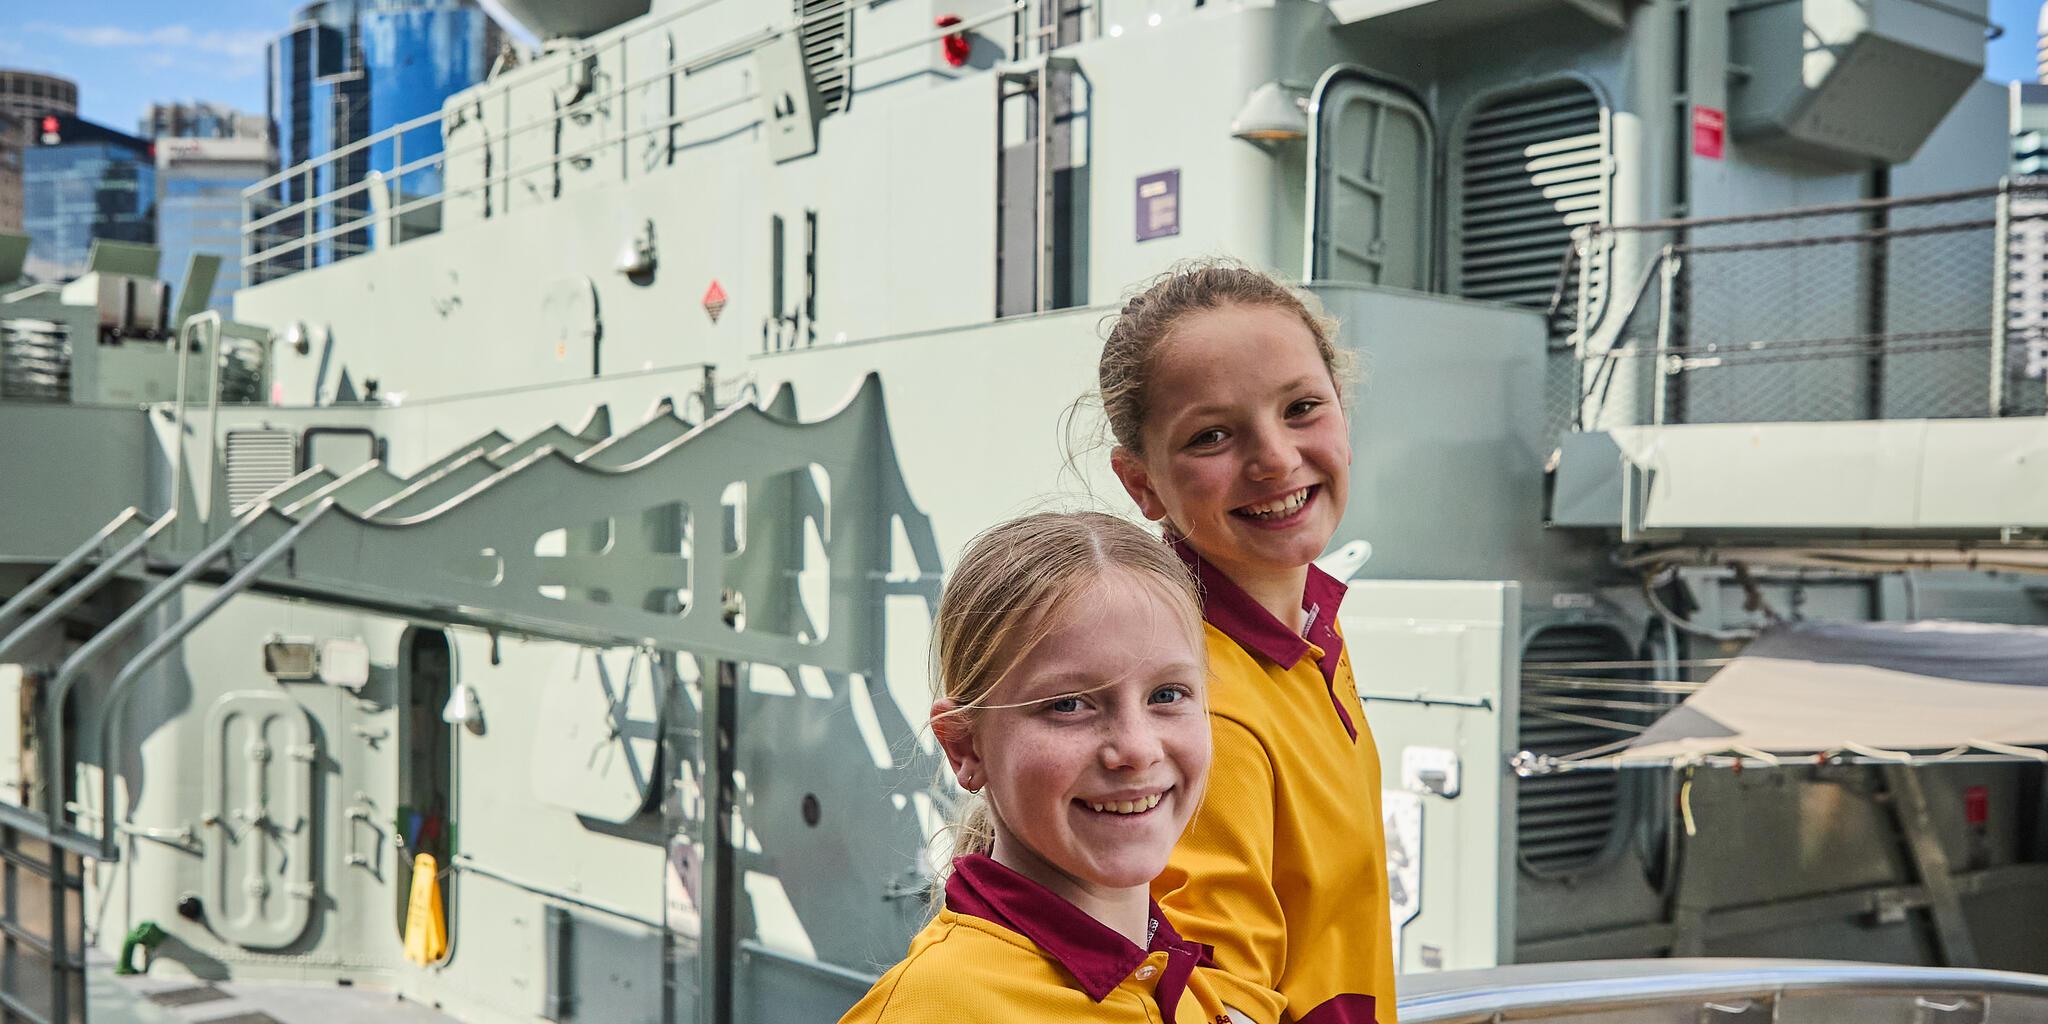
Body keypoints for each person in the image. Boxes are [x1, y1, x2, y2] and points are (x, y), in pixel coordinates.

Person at [1101, 261, 1396, 1024]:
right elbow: (1219, 996)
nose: (1274, 458)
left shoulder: (1306, 638)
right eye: (1213, 435)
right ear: (1142, 485)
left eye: (1301, 408)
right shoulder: (1205, 705)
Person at [839, 511, 1239, 1024]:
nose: (1137, 749)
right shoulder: (933, 1009)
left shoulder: (1178, 982)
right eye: (1069, 705)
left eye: (1167, 694)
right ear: (965, 747)